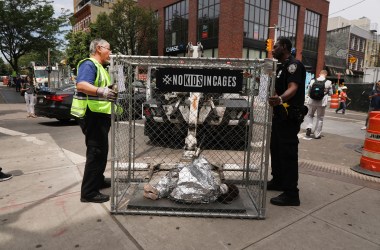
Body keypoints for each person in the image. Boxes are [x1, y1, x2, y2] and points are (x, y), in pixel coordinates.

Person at [70, 38, 117, 203]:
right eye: (108, 49)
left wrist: (108, 90)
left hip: (99, 115)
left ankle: (98, 180)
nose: (110, 53)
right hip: (92, 115)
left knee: (101, 151)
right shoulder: (89, 64)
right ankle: (89, 192)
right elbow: (81, 85)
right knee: (96, 152)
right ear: (99, 48)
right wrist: (101, 91)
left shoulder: (100, 67)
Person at [267, 37, 306, 206]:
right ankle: (278, 181)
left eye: (275, 46)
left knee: (288, 153)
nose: (272, 49)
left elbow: (293, 88)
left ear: (284, 47)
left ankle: (291, 194)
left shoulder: (293, 65)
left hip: (289, 117)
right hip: (279, 116)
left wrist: (280, 99)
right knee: (275, 149)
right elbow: (277, 89)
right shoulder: (281, 68)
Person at [304, 70, 333, 139]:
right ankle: (317, 134)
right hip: (322, 102)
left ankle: (309, 127)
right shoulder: (329, 82)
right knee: (320, 118)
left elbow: (309, 92)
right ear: (326, 74)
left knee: (310, 115)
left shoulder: (312, 81)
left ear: (319, 74)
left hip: (312, 101)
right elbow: (331, 93)